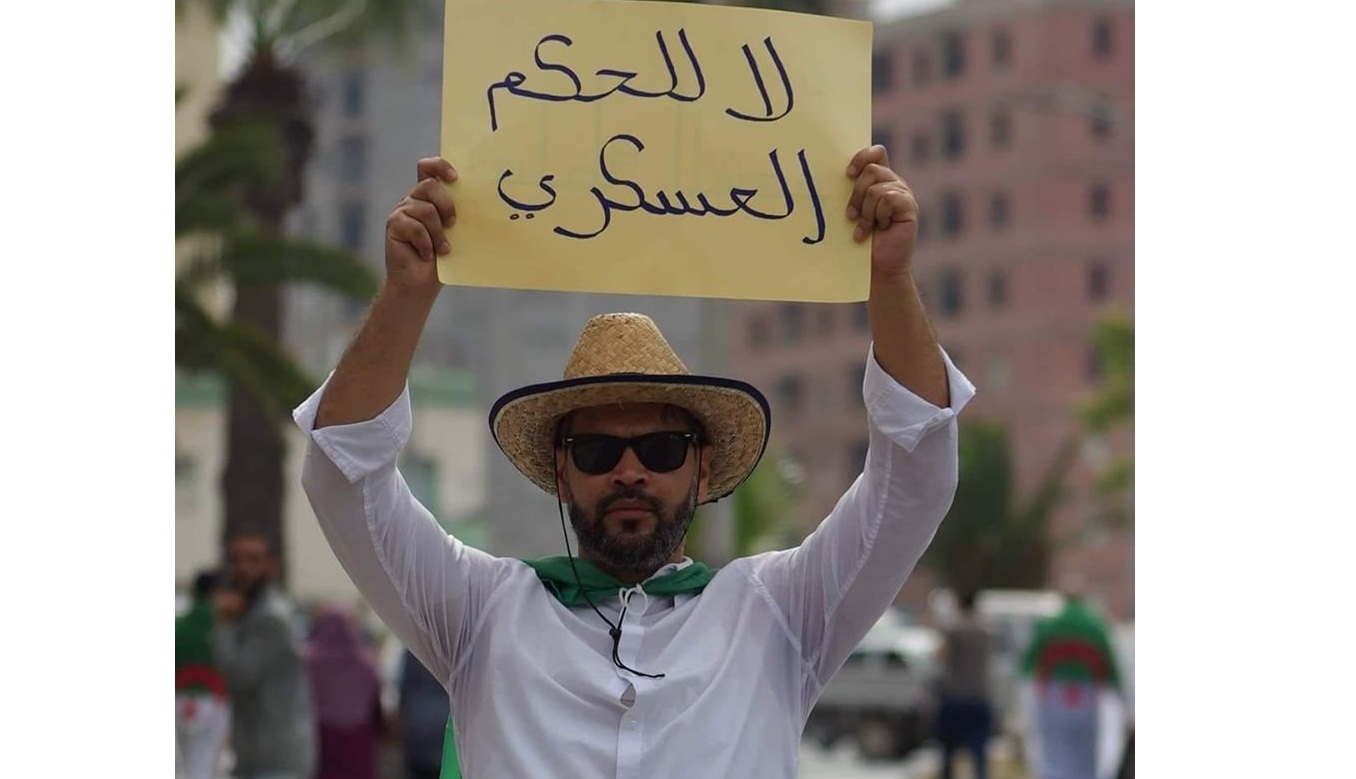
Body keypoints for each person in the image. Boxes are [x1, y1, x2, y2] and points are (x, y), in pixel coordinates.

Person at [293, 144, 975, 779]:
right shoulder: (481, 610)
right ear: (561, 472)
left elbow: (914, 475)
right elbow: (342, 474)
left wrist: (889, 278)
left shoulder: (779, 612)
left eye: (659, 448)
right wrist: (407, 293)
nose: (628, 470)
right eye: (595, 449)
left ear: (702, 469)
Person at [212, 532, 317, 779]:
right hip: (259, 760)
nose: (243, 568)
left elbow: (238, 674)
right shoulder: (252, 611)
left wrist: (224, 624)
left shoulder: (271, 618)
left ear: (272, 566)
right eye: (236, 559)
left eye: (253, 559)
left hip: (276, 762)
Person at [1017, 582, 1128, 779]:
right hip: (1087, 697)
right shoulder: (1096, 626)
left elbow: (1028, 666)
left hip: (1053, 696)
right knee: (1084, 755)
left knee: (1054, 752)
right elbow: (1112, 669)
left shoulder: (1049, 625)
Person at [305, 606, 384, 779]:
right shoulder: (367, 664)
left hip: (321, 740)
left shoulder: (310, 662)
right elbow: (375, 706)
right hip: (358, 742)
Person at [176, 569, 231, 779]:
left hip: (178, 698)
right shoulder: (223, 624)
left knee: (185, 763)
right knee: (203, 765)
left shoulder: (178, 625)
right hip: (213, 699)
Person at [935, 589, 995, 779]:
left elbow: (942, 656)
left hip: (956, 696)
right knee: (979, 753)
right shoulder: (985, 630)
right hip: (980, 695)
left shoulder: (955, 630)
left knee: (948, 753)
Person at [395, 647, 452, 779]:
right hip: (447, 733)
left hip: (418, 733)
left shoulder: (415, 647)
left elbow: (404, 691)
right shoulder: (454, 645)